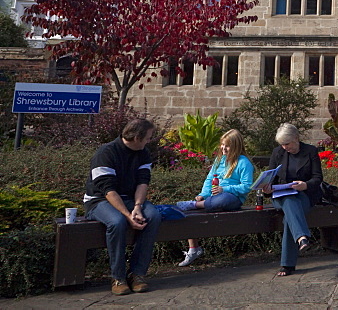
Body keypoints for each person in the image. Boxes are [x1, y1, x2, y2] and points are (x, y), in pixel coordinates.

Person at [83, 118, 162, 296]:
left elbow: (143, 182)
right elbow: (108, 190)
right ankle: (118, 277)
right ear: (137, 137)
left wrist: (137, 207)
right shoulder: (106, 153)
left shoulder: (143, 153)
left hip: (129, 199)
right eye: (148, 137)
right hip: (99, 200)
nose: (150, 140)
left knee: (154, 216)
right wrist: (128, 215)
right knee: (117, 222)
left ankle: (137, 274)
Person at [175, 129, 254, 266]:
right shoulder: (219, 160)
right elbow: (209, 179)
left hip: (233, 198)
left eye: (227, 145)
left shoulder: (243, 162)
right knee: (188, 214)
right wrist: (202, 194)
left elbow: (247, 186)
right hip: (212, 199)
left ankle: (195, 204)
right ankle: (194, 249)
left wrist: (225, 189)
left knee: (222, 200)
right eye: (222, 145)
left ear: (236, 146)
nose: (223, 148)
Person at [262, 123, 323, 276]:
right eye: (282, 144)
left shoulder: (310, 151)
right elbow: (271, 178)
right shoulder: (277, 153)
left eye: (287, 144)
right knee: (289, 201)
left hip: (303, 195)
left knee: (290, 213)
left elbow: (317, 178)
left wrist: (305, 185)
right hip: (280, 196)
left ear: (296, 138)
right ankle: (302, 237)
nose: (285, 147)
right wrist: (267, 188)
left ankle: (288, 265)